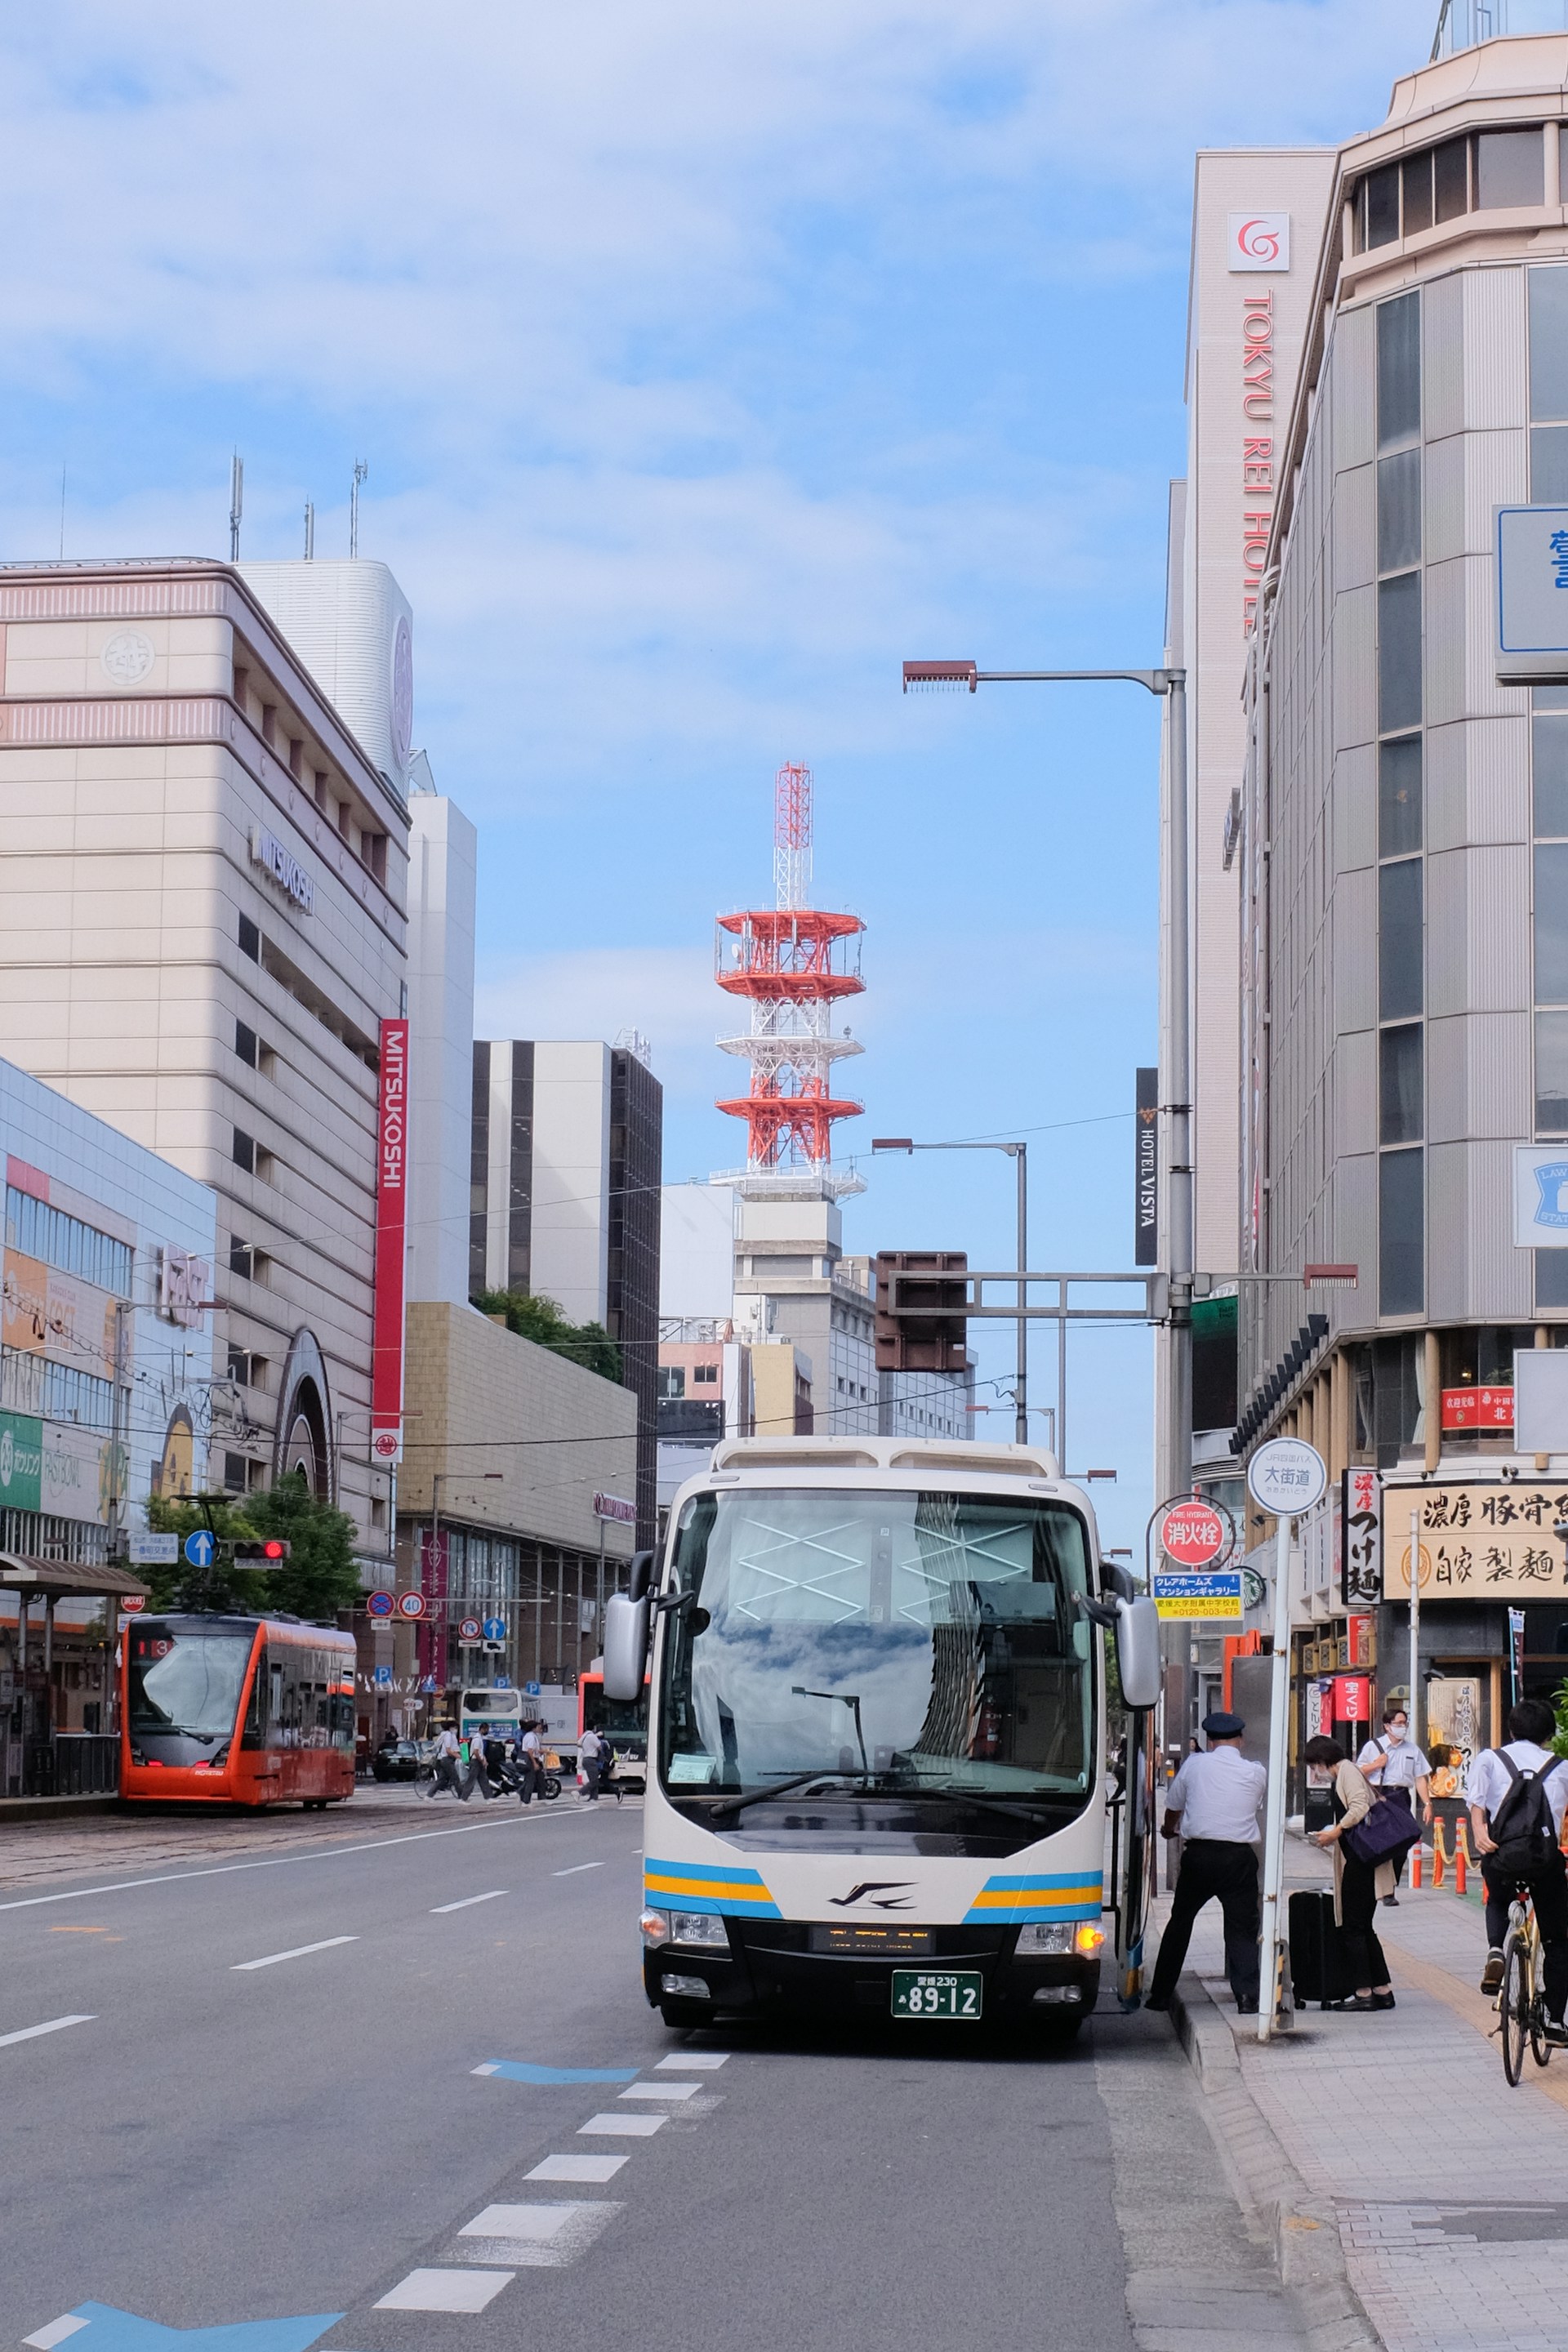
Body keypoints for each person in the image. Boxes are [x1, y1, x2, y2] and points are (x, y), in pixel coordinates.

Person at [1146, 1711, 1267, 2016]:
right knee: (1242, 1929)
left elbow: (1173, 1806)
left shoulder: (1194, 1765)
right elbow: (1254, 1805)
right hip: (1239, 1858)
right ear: (1241, 1740)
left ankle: (1160, 1995)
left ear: (1209, 1741)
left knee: (1180, 1922)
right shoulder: (1255, 1771)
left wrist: (1167, 1828)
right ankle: (1247, 1998)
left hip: (1199, 1857)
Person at [1467, 1697, 1568, 2043]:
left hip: (1501, 1855)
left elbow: (1476, 1804)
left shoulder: (1490, 1759)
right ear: (1549, 1735)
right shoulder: (1561, 1767)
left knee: (1497, 1900)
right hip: (1545, 1859)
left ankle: (1497, 1950)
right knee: (1557, 1942)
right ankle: (1555, 2022)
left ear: (1511, 1729)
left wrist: (1481, 1835)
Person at [1305, 1733, 1396, 2011]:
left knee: (1352, 1927)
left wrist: (1336, 1830)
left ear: (1322, 1761)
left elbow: (1360, 1807)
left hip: (1361, 1862)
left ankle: (1364, 1992)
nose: (1314, 1772)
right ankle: (1382, 1989)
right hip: (1362, 1860)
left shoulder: (1347, 1772)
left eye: (1313, 1765)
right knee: (1362, 1926)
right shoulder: (1348, 1772)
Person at [1357, 1703, 1433, 1906]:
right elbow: (1357, 1771)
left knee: (1403, 1842)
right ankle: (1381, 1889)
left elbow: (1420, 1778)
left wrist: (1427, 1803)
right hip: (1379, 1796)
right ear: (1387, 1726)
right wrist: (1376, 1764)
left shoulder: (1412, 1749)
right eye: (1398, 1723)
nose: (1402, 1727)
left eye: (1404, 1723)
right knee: (1381, 1843)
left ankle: (1391, 1887)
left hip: (1401, 1797)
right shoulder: (1373, 1747)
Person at [422, 1722, 466, 1800]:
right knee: (455, 1778)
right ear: (451, 1727)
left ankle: (429, 1796)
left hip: (444, 1760)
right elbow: (448, 1749)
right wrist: (458, 1756)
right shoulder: (448, 1735)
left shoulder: (445, 1734)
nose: (456, 1729)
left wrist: (430, 1748)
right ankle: (462, 1797)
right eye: (455, 1727)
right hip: (447, 1760)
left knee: (441, 1780)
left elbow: (437, 1744)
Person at [514, 1720, 543, 1805]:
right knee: (530, 1781)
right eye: (538, 1727)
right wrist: (534, 1763)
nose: (540, 1729)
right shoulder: (531, 1737)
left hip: (531, 1758)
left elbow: (534, 1750)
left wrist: (543, 1751)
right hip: (531, 1760)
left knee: (532, 1780)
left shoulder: (530, 1736)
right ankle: (525, 1800)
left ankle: (520, 1794)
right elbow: (530, 1751)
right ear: (533, 1728)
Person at [579, 1724, 604, 1802]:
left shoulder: (584, 1735)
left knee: (593, 1778)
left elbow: (578, 1743)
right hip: (591, 1759)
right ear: (594, 1728)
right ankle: (580, 1792)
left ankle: (593, 1797)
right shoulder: (592, 1736)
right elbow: (599, 1746)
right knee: (594, 1780)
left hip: (585, 1759)